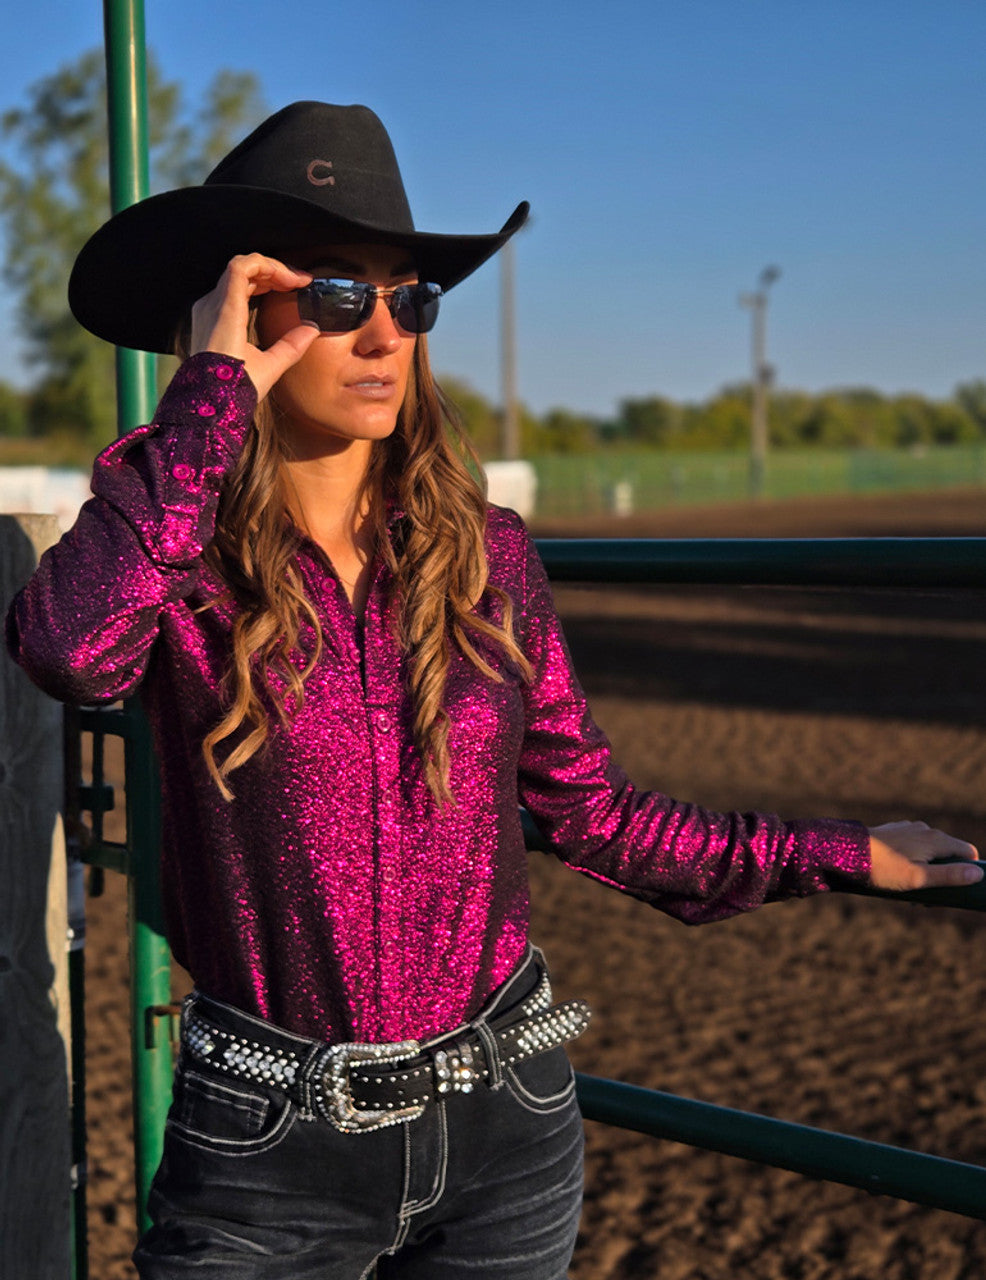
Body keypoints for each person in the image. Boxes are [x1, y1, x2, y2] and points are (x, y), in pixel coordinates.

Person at [5, 101, 981, 1280]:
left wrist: (840, 851)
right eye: (331, 295)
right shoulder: (180, 559)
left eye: (407, 299)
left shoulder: (487, 554)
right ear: (241, 311)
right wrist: (211, 390)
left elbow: (591, 810)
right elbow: (67, 646)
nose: (380, 334)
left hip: (508, 1123)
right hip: (266, 1152)